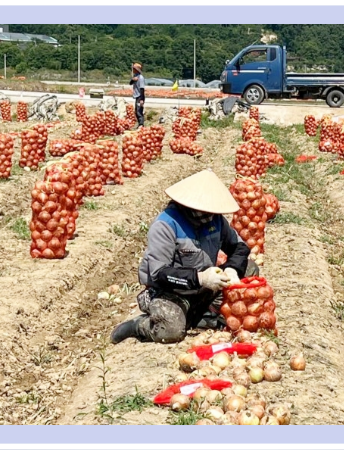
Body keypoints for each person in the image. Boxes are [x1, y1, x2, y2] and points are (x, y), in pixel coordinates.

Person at [110, 169, 259, 345]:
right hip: (169, 292)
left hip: (203, 289)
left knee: (249, 268)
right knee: (172, 331)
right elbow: (160, 273)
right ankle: (140, 325)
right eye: (206, 211)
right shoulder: (165, 226)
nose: (211, 216)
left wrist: (232, 269)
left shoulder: (215, 220)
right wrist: (200, 278)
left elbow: (240, 246)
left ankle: (203, 315)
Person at [129, 62, 145, 128]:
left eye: (134, 69)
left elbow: (142, 89)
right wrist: (133, 79)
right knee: (136, 111)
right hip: (136, 96)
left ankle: (141, 124)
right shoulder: (135, 76)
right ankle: (139, 124)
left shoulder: (141, 78)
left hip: (139, 96)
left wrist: (142, 99)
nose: (133, 70)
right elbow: (130, 83)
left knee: (139, 111)